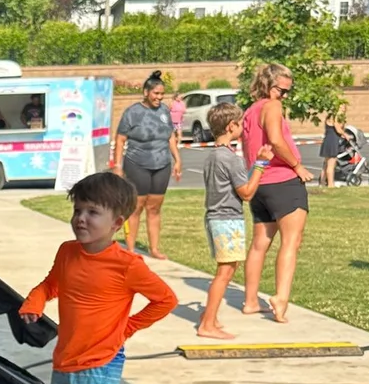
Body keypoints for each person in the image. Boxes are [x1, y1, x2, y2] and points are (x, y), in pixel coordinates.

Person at [19, 171, 176, 384]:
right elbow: (51, 285)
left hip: (100, 362)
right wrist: (34, 300)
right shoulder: (68, 252)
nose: (81, 219)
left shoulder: (126, 265)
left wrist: (127, 328)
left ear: (117, 222)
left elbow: (165, 300)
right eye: (77, 210)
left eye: (92, 212)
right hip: (67, 357)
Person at [241, 62, 313, 324]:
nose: (284, 96)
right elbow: (275, 139)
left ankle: (250, 301)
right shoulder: (272, 106)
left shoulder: (250, 111)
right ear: (269, 87)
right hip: (282, 181)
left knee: (260, 242)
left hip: (259, 183)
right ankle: (281, 298)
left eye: (287, 92)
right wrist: (296, 165)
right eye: (282, 91)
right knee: (291, 241)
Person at [197, 103, 274, 339]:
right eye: (241, 123)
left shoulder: (213, 156)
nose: (243, 127)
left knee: (225, 270)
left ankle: (211, 318)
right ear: (232, 126)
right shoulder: (231, 159)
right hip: (227, 219)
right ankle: (207, 325)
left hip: (215, 217)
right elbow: (247, 193)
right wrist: (261, 164)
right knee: (225, 273)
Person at [109, 71, 182, 258]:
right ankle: (131, 250)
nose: (159, 97)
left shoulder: (165, 111)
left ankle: (154, 249)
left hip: (161, 165)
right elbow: (120, 139)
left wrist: (177, 159)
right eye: (155, 93)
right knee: (136, 207)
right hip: (137, 164)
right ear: (146, 92)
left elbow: (170, 137)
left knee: (154, 208)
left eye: (161, 94)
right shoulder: (132, 113)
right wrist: (117, 165)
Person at [319, 108, 351, 189]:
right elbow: (338, 128)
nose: (344, 109)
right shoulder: (336, 116)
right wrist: (345, 134)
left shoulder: (329, 116)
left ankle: (322, 183)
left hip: (327, 139)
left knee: (326, 164)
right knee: (331, 165)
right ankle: (330, 184)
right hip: (332, 141)